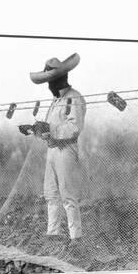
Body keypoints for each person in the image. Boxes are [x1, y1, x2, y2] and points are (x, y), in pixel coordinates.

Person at [21, 53, 87, 245]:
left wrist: (49, 128)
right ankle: (53, 233)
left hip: (66, 151)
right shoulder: (55, 101)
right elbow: (49, 130)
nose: (49, 87)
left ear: (59, 80)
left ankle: (76, 237)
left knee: (68, 194)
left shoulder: (74, 98)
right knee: (51, 193)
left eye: (50, 83)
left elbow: (74, 128)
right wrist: (33, 129)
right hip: (52, 151)